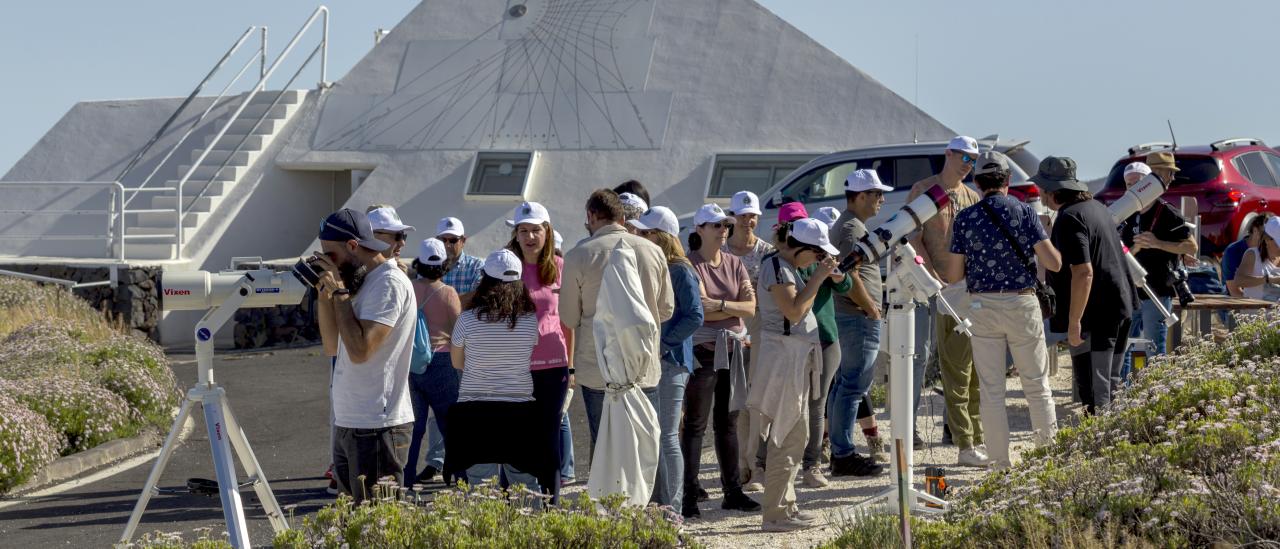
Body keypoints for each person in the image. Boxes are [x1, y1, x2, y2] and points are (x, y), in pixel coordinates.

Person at [945, 152, 1061, 470]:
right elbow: (1054, 262)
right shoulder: (1024, 212)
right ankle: (1047, 459)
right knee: (1036, 385)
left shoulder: (965, 219)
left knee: (991, 389)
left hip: (982, 305)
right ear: (1008, 181)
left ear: (978, 183)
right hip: (1022, 302)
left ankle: (999, 463)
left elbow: (954, 275)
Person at [311, 208, 416, 503]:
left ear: (353, 246)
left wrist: (340, 293)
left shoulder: (388, 283)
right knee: (353, 524)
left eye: (330, 256)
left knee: (377, 524)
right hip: (351, 419)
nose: (328, 265)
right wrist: (325, 294)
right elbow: (332, 346)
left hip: (378, 425)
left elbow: (360, 351)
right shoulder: (359, 280)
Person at [559, 189, 674, 448]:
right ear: (623, 217)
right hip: (643, 366)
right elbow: (666, 309)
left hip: (598, 369)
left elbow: (568, 317)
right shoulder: (652, 251)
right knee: (648, 447)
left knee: (606, 450)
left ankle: (613, 491)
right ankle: (659, 492)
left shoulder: (578, 255)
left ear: (591, 215)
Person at [748, 218, 838, 532]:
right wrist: (820, 278)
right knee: (785, 436)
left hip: (794, 357)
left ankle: (785, 506)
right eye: (815, 254)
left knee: (794, 436)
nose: (817, 260)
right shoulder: (776, 266)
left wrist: (818, 275)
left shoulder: (789, 266)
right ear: (800, 248)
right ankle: (774, 514)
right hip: (783, 358)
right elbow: (794, 311)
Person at [446, 249, 553, 495]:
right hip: (519, 412)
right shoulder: (528, 320)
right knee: (525, 488)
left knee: (481, 488)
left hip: (476, 412)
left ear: (484, 279)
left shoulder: (468, 319)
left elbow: (457, 363)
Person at [1034, 156, 1134, 414]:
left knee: (1096, 392)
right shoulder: (1097, 207)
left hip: (1096, 316)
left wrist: (1073, 321)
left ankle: (1101, 447)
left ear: (1053, 191)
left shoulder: (1070, 218)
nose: (1039, 194)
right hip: (1120, 305)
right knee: (1111, 387)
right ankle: (1114, 442)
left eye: (1042, 188)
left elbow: (1083, 273)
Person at [681, 203, 761, 517]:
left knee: (727, 424)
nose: (723, 230)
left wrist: (722, 305)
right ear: (699, 229)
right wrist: (733, 306)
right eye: (716, 225)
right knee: (695, 426)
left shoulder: (734, 262)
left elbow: (751, 307)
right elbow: (701, 308)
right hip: (704, 350)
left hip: (734, 350)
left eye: (724, 225)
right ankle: (688, 494)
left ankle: (732, 491)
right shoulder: (690, 265)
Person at [905, 136, 983, 452]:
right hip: (927, 286)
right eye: (964, 157)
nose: (968, 164)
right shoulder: (923, 190)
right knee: (919, 356)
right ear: (948, 154)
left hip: (960, 291)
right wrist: (932, 277)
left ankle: (956, 428)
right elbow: (913, 237)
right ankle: (908, 429)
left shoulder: (971, 196)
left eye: (973, 160)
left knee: (962, 361)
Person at [629, 205, 704, 516]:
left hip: (670, 361)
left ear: (660, 236)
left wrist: (661, 345)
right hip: (658, 359)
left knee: (667, 435)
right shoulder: (657, 266)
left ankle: (672, 507)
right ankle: (660, 504)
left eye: (645, 233)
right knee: (655, 435)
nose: (639, 237)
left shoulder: (681, 269)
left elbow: (695, 316)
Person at [504, 202, 574, 502]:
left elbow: (569, 321)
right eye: (523, 230)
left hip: (553, 365)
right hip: (515, 365)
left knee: (548, 436)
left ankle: (551, 502)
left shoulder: (559, 267)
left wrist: (571, 368)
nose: (530, 236)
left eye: (536, 230)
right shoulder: (506, 268)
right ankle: (513, 502)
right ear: (515, 234)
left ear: (547, 232)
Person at [829, 170, 895, 474]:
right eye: (876, 194)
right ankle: (842, 454)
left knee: (848, 383)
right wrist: (870, 306)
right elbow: (848, 272)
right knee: (853, 384)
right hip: (857, 315)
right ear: (861, 196)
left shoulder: (851, 226)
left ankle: (840, 450)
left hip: (855, 314)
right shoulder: (851, 230)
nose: (881, 199)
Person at [1118, 152, 1197, 371]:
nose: (1132, 187)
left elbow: (1191, 247)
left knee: (1154, 347)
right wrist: (1138, 247)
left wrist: (1158, 243)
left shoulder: (1167, 212)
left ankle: (1151, 395)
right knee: (1123, 347)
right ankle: (1123, 394)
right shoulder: (1127, 213)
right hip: (1131, 292)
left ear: (1148, 183)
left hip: (1158, 291)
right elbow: (1124, 253)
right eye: (1128, 184)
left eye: (1137, 183)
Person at [722, 190, 776, 490]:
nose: (748, 221)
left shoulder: (767, 251)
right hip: (728, 327)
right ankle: (740, 464)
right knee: (735, 400)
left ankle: (755, 464)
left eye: (752, 215)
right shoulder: (722, 251)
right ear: (732, 218)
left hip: (758, 327)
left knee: (756, 400)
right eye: (743, 215)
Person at [403, 238, 461, 486]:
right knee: (450, 425)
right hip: (441, 361)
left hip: (411, 363)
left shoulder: (407, 288)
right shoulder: (448, 293)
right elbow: (458, 332)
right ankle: (459, 477)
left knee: (413, 426)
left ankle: (404, 479)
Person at [436, 217, 484, 302]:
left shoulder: (476, 266)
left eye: (453, 240)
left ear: (463, 240)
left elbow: (480, 294)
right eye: (443, 240)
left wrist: (448, 304)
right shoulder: (428, 265)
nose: (447, 245)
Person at [1233, 217, 1280, 301]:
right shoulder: (1252, 254)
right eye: (1278, 244)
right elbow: (1238, 281)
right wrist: (1268, 279)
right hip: (1255, 313)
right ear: (1267, 240)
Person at [1224, 214, 1271, 296]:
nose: (1269, 238)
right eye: (1266, 234)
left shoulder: (1271, 249)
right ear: (1255, 230)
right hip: (1238, 303)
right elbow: (1234, 291)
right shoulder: (1233, 251)